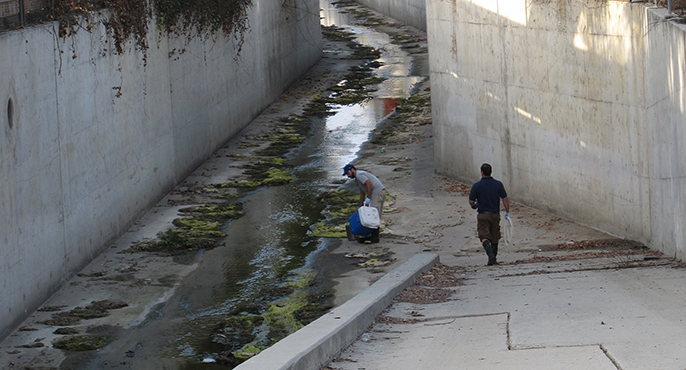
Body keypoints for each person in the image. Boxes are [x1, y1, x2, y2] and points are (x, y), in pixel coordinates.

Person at [468, 163, 510, 265]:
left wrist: (475, 205)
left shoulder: (477, 186)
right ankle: (493, 259)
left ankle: (490, 256)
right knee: (495, 237)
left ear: (481, 173)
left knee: (484, 237)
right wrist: (507, 211)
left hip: (483, 215)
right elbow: (504, 198)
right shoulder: (498, 184)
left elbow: (471, 201)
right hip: (495, 214)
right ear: (490, 172)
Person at [343, 164, 385, 243]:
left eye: (348, 173)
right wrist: (360, 206)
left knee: (374, 215)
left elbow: (369, 184)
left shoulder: (359, 175)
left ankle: (375, 238)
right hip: (375, 194)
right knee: (372, 215)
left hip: (377, 193)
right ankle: (371, 235)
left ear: (352, 169)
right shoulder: (357, 180)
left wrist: (368, 197)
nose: (347, 176)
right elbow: (362, 193)